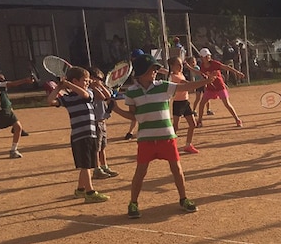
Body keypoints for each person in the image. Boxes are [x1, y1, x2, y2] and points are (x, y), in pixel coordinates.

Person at [109, 54, 212, 218]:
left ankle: (183, 199)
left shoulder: (163, 86)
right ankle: (133, 203)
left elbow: (185, 87)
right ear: (142, 72)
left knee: (176, 169)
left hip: (166, 136)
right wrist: (116, 109)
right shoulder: (132, 93)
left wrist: (206, 82)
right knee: (140, 172)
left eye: (156, 69)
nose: (156, 72)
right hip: (146, 139)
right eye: (152, 69)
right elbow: (133, 116)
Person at [45, 66, 111, 203]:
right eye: (85, 80)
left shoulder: (89, 93)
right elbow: (50, 101)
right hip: (80, 136)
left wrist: (68, 84)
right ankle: (90, 192)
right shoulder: (68, 98)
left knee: (87, 164)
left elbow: (85, 95)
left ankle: (80, 190)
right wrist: (58, 87)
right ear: (75, 81)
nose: (88, 83)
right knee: (86, 165)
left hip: (91, 134)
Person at [197, 47, 244, 127]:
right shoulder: (202, 66)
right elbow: (203, 76)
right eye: (205, 56)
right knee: (201, 104)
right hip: (210, 88)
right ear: (201, 57)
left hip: (220, 87)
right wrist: (206, 83)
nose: (208, 57)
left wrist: (237, 73)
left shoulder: (214, 63)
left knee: (227, 104)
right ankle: (200, 121)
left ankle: (237, 120)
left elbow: (227, 67)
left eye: (208, 55)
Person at [88, 67, 119, 179]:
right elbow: (101, 97)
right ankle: (97, 169)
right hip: (94, 122)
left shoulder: (99, 88)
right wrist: (94, 86)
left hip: (102, 121)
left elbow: (108, 96)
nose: (99, 81)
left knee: (102, 147)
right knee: (96, 147)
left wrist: (100, 85)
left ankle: (104, 166)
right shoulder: (90, 91)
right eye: (97, 79)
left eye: (101, 80)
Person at [167, 55, 199, 154]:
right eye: (178, 65)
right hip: (178, 103)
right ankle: (169, 145)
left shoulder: (180, 73)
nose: (180, 66)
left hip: (185, 102)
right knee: (175, 127)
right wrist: (202, 83)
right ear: (172, 66)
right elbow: (186, 84)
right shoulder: (174, 76)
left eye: (181, 64)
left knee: (193, 124)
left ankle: (188, 145)